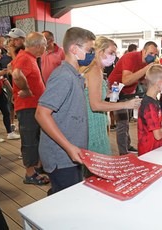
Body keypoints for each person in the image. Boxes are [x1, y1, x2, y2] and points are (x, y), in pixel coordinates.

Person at [35, 27, 96, 194]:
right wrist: (69, 147)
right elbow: (41, 113)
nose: (93, 54)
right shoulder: (64, 76)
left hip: (71, 155)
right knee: (67, 199)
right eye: (90, 50)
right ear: (74, 49)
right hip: (62, 157)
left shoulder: (74, 75)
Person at [81, 36, 141, 156]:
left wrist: (107, 92)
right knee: (98, 160)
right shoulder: (94, 70)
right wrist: (126, 104)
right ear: (99, 51)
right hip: (93, 121)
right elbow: (95, 105)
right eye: (110, 53)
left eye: (114, 53)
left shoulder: (90, 68)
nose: (113, 57)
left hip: (89, 119)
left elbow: (89, 93)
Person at [11, 32, 49, 185]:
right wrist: (26, 90)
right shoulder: (25, 57)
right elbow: (16, 74)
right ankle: (30, 174)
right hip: (27, 108)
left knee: (36, 138)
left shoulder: (27, 57)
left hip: (33, 107)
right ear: (39, 45)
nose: (45, 48)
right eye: (45, 45)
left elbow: (12, 69)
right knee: (30, 140)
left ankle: (37, 167)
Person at [108, 41, 158, 155]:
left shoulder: (145, 63)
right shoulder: (130, 57)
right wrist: (146, 70)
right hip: (115, 92)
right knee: (122, 123)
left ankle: (127, 145)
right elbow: (126, 80)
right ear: (143, 51)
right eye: (151, 53)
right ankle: (123, 153)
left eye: (155, 54)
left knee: (127, 121)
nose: (153, 56)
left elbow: (142, 80)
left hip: (129, 93)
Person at [0, 44, 20, 142]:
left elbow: (4, 80)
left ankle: (10, 132)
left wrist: (13, 91)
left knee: (7, 111)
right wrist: (1, 73)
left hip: (0, 91)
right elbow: (0, 75)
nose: (0, 56)